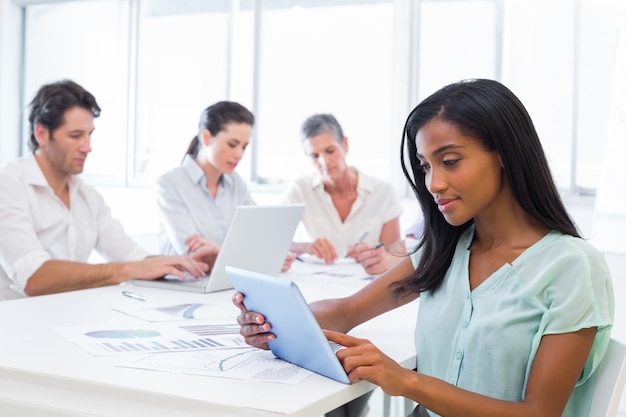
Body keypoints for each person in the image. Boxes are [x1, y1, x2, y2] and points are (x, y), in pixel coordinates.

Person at [234, 79, 615, 417]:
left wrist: (407, 382)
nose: (434, 183)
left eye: (449, 161)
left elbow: (539, 413)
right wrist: (273, 322)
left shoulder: (572, 267)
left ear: (503, 154)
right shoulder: (443, 248)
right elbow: (347, 311)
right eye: (426, 167)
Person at [0, 79, 210, 301]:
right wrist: (127, 270)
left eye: (89, 134)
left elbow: (134, 257)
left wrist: (191, 264)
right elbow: (35, 278)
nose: (87, 147)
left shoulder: (87, 195)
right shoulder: (8, 186)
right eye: (75, 136)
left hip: (68, 318)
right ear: (41, 134)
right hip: (15, 326)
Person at [155, 101, 294, 272]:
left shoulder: (236, 183)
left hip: (228, 280)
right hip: (184, 284)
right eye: (232, 144)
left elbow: (257, 237)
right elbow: (195, 255)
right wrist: (257, 257)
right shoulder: (169, 184)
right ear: (206, 137)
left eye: (244, 146)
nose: (239, 154)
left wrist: (266, 255)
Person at [284, 113, 404, 275]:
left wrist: (373, 256)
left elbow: (394, 254)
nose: (324, 161)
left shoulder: (383, 192)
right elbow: (274, 240)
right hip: (318, 283)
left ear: (345, 144)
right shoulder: (300, 189)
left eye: (330, 151)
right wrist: (305, 247)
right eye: (314, 156)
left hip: (367, 284)